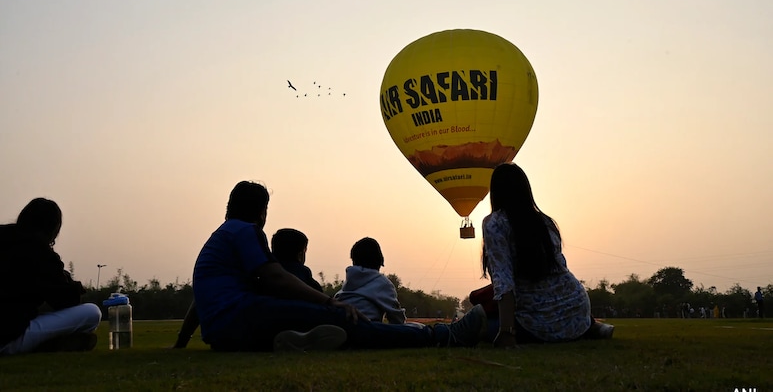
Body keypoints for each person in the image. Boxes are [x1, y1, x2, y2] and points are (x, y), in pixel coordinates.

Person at [191, 180, 487, 351]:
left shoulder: (221, 237)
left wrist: (183, 340)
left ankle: (296, 340)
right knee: (343, 319)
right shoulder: (245, 231)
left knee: (317, 322)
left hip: (223, 334)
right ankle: (442, 335)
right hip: (242, 319)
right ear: (261, 211)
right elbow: (274, 277)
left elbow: (199, 299)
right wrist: (330, 302)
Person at [481, 163, 614, 348]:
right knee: (486, 296)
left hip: (538, 321)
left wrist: (506, 332)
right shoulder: (546, 222)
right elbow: (559, 270)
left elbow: (503, 282)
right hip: (578, 309)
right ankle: (592, 327)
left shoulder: (495, 223)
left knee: (476, 323)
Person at [173, 226, 324, 348]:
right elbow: (317, 296)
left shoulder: (256, 276)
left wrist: (182, 341)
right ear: (300, 254)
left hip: (253, 327)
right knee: (330, 315)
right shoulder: (300, 274)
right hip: (290, 318)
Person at [0, 198, 102, 355]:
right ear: (53, 229)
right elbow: (66, 300)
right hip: (8, 337)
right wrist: (76, 286)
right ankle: (49, 344)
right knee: (92, 313)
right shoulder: (38, 251)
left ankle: (51, 343)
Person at [334, 237, 406, 324]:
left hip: (341, 324)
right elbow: (396, 316)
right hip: (367, 326)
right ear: (380, 261)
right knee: (416, 328)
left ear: (353, 261)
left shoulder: (347, 284)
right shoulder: (382, 283)